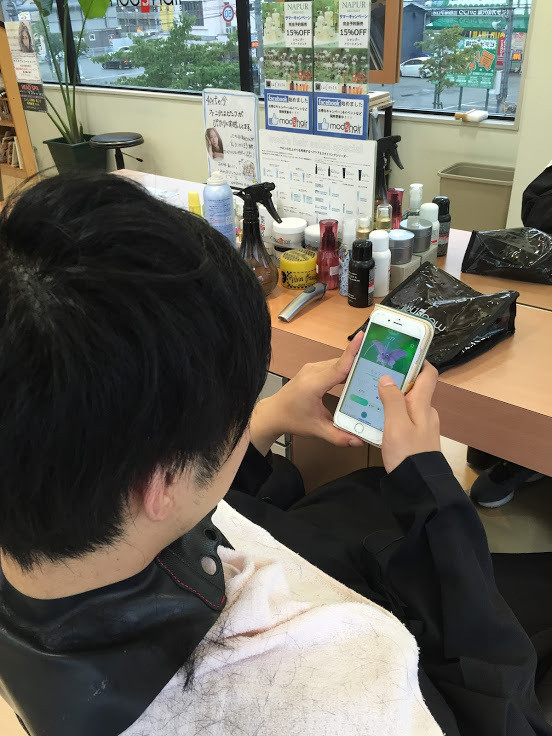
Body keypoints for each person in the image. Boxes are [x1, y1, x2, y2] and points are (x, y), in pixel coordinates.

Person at [0, 173, 550, 736]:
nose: (244, 419)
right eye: (237, 414)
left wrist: (265, 421)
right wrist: (430, 484)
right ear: (161, 481)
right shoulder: (351, 683)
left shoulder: (52, 516)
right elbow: (506, 714)